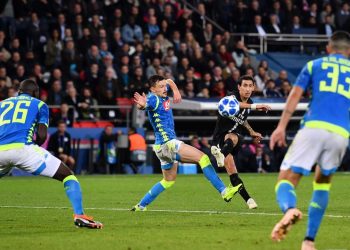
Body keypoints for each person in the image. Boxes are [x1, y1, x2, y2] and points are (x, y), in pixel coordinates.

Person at [269, 31, 350, 250]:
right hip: (341, 134)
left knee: (286, 179)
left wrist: (281, 126)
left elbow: (295, 95)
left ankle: (289, 210)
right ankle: (309, 241)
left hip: (313, 127)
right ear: (348, 51)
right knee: (322, 183)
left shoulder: (315, 65)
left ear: (328, 48)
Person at [0, 79, 102, 229]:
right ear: (36, 93)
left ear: (19, 92)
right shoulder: (40, 104)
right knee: (68, 175)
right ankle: (80, 216)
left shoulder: (2, 104)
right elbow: (41, 136)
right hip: (24, 149)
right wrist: (34, 152)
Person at [131, 75, 239, 211]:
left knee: (168, 181)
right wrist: (143, 105)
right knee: (203, 158)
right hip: (168, 144)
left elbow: (169, 80)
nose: (165, 88)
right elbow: (146, 105)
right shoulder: (153, 98)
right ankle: (224, 191)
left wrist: (175, 90)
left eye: (165, 86)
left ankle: (141, 205)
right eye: (161, 87)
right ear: (152, 89)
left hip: (160, 148)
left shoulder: (162, 92)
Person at [210, 75, 271, 209]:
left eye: (250, 86)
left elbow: (242, 119)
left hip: (232, 138)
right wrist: (255, 106)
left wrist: (251, 131)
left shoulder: (249, 103)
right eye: (245, 85)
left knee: (233, 137)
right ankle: (249, 200)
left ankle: (221, 154)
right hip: (220, 138)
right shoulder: (231, 97)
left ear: (254, 87)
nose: (247, 89)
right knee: (233, 173)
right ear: (239, 87)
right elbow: (237, 105)